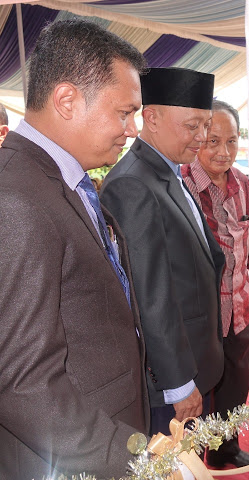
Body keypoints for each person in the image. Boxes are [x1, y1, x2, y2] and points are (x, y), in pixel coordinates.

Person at [0, 19, 148, 478]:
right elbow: (23, 383)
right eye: (123, 113)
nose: (132, 129)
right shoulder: (16, 199)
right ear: (66, 101)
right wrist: (126, 456)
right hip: (72, 456)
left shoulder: (59, 179)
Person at [100, 67, 226, 437]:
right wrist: (178, 383)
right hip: (172, 382)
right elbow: (149, 295)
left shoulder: (166, 171)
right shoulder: (132, 184)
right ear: (151, 118)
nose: (202, 137)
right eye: (192, 126)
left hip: (194, 363)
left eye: (206, 125)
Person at [181, 100, 249, 468]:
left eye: (231, 141)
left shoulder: (244, 183)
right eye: (213, 141)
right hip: (200, 317)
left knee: (236, 386)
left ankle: (225, 451)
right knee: (196, 396)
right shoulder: (180, 185)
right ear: (197, 138)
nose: (223, 151)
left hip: (240, 311)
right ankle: (190, 464)